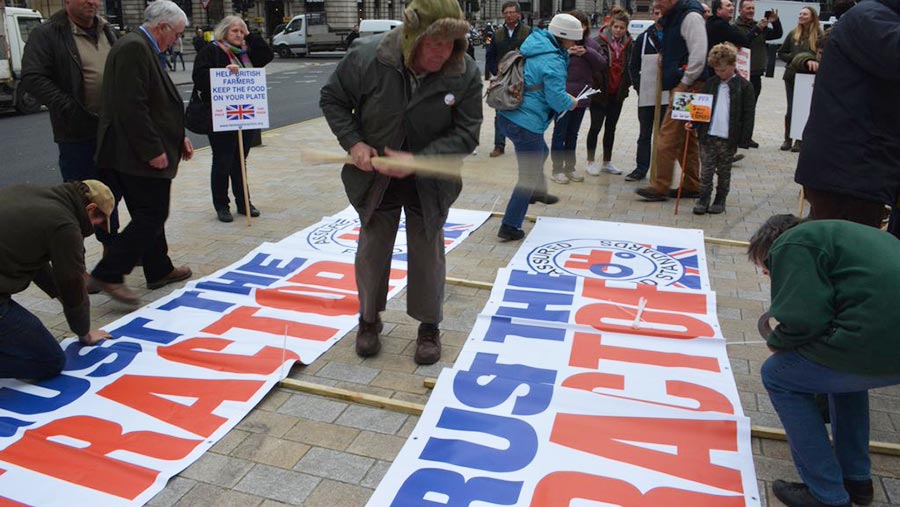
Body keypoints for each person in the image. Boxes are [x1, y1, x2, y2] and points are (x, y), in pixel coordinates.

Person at [320, 0, 482, 365]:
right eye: (434, 43)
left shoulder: (464, 70)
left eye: (451, 42)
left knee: (428, 254)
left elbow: (468, 134)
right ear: (413, 37)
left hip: (431, 181)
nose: (443, 53)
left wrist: (420, 161)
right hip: (375, 178)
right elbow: (332, 98)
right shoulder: (368, 57)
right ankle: (368, 319)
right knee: (372, 251)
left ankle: (429, 327)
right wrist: (354, 142)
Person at [748, 214, 900, 507]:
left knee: (778, 376)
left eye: (766, 269)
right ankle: (857, 480)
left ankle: (826, 493)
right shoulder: (845, 234)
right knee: (843, 379)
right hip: (883, 342)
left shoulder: (792, 243)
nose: (769, 275)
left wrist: (778, 342)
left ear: (769, 249)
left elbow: (803, 318)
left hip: (874, 339)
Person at [89, 0, 194, 304]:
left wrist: (177, 138)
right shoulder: (134, 48)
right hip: (134, 153)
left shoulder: (143, 47)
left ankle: (159, 269)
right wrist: (152, 149)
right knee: (153, 213)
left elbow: (156, 102)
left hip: (140, 148)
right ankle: (109, 272)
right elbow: (131, 106)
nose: (178, 40)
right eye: (177, 34)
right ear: (162, 27)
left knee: (148, 210)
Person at [20, 0, 119, 248]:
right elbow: (33, 77)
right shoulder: (47, 33)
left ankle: (111, 250)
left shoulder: (108, 30)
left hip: (111, 129)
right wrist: (69, 108)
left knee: (110, 193)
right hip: (75, 133)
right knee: (79, 198)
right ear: (66, 2)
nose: (91, 2)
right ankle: (76, 262)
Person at [795, 0, 899, 229]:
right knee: (846, 253)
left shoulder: (875, 17)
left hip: (857, 166)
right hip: (850, 170)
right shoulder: (870, 18)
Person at [0, 180, 115, 380]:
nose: (97, 227)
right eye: (99, 220)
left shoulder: (32, 194)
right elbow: (72, 283)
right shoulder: (65, 225)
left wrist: (60, 296)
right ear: (90, 209)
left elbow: (35, 262)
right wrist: (84, 331)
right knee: (49, 361)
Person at [496, 14, 579, 241]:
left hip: (508, 115)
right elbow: (555, 99)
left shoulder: (537, 45)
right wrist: (571, 102)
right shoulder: (553, 61)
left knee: (541, 152)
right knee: (528, 175)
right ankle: (510, 225)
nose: (575, 44)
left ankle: (536, 192)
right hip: (526, 122)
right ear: (564, 37)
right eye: (573, 40)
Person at [193, 16, 274, 223]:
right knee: (222, 160)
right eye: (234, 31)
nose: (239, 35)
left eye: (241, 31)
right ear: (224, 32)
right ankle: (221, 204)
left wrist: (250, 34)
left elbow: (267, 54)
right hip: (220, 116)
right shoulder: (212, 50)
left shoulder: (247, 53)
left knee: (240, 160)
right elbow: (199, 77)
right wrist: (222, 73)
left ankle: (244, 201)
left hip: (245, 115)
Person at [635, 0, 708, 202]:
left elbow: (699, 54)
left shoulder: (690, 17)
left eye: (659, 0)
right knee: (686, 138)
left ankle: (660, 185)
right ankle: (692, 184)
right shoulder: (677, 16)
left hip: (688, 84)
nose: (655, 3)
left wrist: (684, 83)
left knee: (667, 135)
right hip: (688, 82)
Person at [690, 43, 754, 215]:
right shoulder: (711, 83)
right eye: (716, 70)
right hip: (708, 135)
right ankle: (703, 198)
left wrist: (744, 139)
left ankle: (720, 199)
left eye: (723, 70)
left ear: (733, 65)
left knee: (724, 171)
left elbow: (748, 115)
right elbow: (701, 107)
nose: (720, 73)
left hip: (728, 137)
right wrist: (694, 122)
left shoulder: (745, 86)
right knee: (706, 171)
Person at [550, 10, 607, 185]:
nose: (580, 28)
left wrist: (586, 52)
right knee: (560, 132)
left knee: (573, 133)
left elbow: (602, 64)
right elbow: (551, 64)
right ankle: (557, 169)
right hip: (563, 95)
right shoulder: (560, 43)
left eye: (582, 25)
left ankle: (570, 167)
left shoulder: (591, 44)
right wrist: (568, 53)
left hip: (582, 95)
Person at [585, 10, 632, 176]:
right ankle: (590, 161)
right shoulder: (598, 41)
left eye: (622, 28)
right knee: (595, 127)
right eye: (616, 27)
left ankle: (607, 161)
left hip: (617, 93)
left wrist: (627, 85)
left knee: (611, 128)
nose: (618, 30)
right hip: (600, 92)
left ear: (626, 29)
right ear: (611, 26)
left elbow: (630, 66)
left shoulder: (629, 44)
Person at [485, 1, 531, 158]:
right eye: (506, 12)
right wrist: (496, 72)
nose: (509, 15)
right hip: (502, 79)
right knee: (500, 111)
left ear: (518, 14)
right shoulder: (497, 33)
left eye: (512, 12)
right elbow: (490, 55)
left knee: (523, 110)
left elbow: (532, 54)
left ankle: (524, 144)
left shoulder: (527, 32)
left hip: (521, 78)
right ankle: (499, 145)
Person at [733, 0, 781, 148]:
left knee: (751, 106)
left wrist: (775, 22)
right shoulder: (735, 27)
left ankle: (747, 137)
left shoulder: (761, 26)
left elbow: (777, 34)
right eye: (748, 8)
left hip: (756, 72)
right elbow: (743, 41)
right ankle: (736, 137)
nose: (751, 10)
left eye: (753, 8)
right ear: (740, 10)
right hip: (741, 72)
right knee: (738, 106)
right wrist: (757, 28)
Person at [627, 8, 667, 182]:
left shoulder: (675, 36)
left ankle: (660, 170)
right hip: (646, 94)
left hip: (667, 94)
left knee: (663, 134)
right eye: (656, 13)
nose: (659, 17)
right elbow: (633, 66)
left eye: (662, 13)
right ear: (653, 14)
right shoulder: (644, 37)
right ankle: (641, 167)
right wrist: (638, 87)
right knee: (644, 134)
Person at [777, 6, 822, 153]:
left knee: (804, 109)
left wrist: (811, 59)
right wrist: (794, 58)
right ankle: (788, 139)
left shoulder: (819, 35)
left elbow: (822, 54)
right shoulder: (793, 34)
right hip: (791, 75)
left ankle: (800, 139)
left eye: (805, 14)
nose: (801, 16)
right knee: (791, 108)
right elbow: (782, 52)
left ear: (812, 17)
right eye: (800, 13)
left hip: (809, 77)